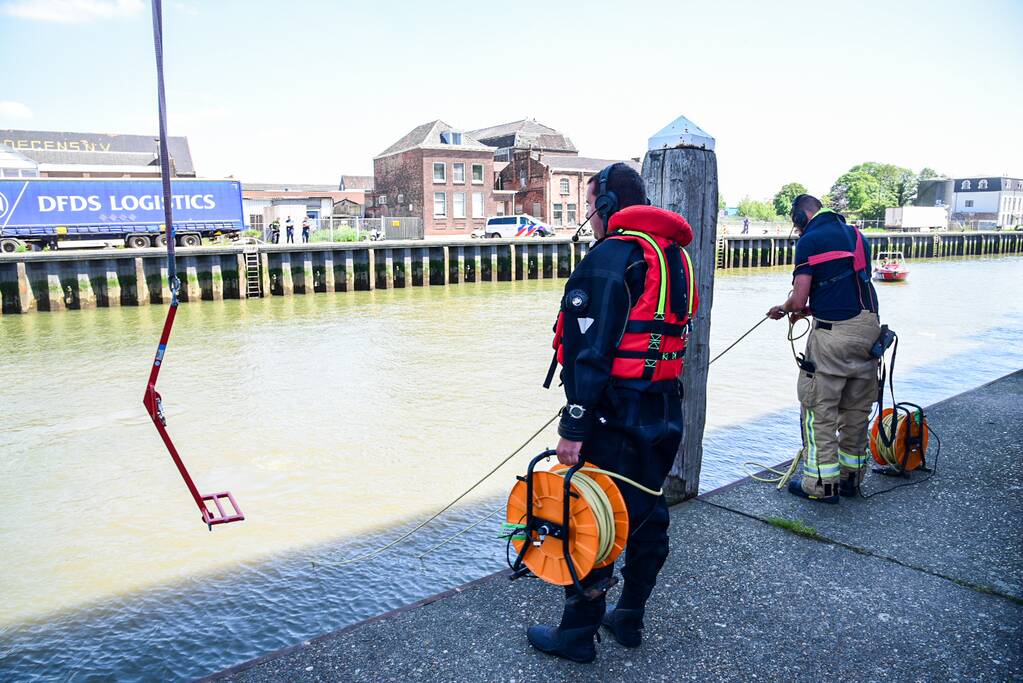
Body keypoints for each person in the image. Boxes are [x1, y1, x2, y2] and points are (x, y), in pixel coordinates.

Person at [529, 163, 699, 663]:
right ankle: (629, 616)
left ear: (606, 207)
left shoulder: (611, 259)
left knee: (591, 515)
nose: (589, 217)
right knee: (647, 509)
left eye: (589, 208)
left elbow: (591, 351)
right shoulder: (673, 256)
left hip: (614, 413)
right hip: (663, 408)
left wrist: (574, 426)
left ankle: (577, 636)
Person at [767, 194, 880, 503]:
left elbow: (800, 299)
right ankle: (850, 479)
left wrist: (785, 308)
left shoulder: (810, 240)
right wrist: (804, 307)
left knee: (819, 409)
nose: (798, 231)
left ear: (803, 216)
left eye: (796, 224)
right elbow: (839, 288)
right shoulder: (858, 235)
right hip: (869, 329)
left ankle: (820, 485)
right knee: (856, 409)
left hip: (833, 335)